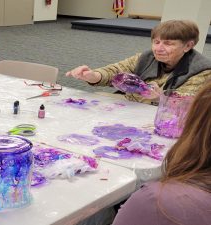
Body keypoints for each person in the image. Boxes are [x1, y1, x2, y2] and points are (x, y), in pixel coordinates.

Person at [111, 81, 211, 225]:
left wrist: (160, 96)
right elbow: (113, 73)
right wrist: (96, 76)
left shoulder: (157, 203)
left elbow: (182, 97)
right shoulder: (146, 60)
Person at [66, 20, 211, 104]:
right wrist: (93, 76)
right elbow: (116, 70)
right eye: (156, 42)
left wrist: (161, 96)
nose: (158, 48)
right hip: (132, 105)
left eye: (168, 43)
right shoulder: (146, 57)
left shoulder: (202, 70)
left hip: (160, 116)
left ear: (188, 46)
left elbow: (187, 103)